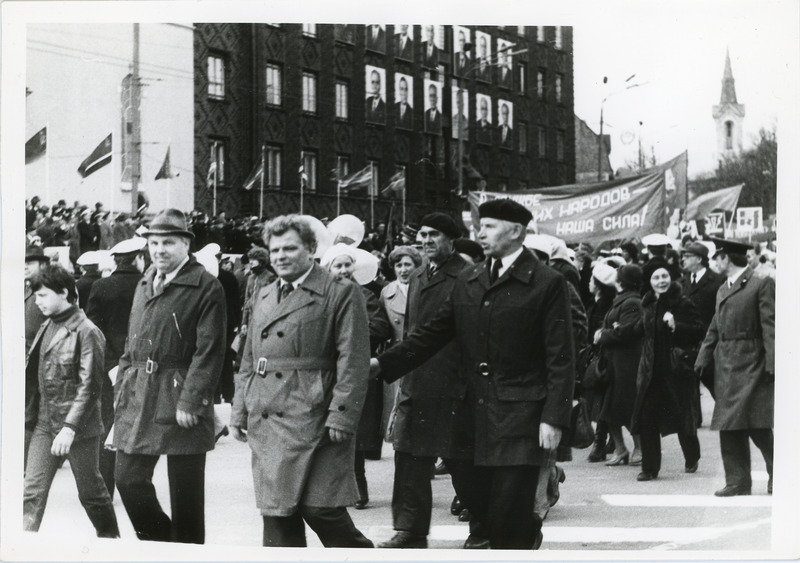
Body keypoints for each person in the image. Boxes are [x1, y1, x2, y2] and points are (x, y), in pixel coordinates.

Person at [373, 199, 575, 550]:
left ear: (516, 232)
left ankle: (515, 536)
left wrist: (553, 417)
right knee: (477, 496)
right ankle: (523, 529)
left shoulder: (546, 282)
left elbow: (560, 356)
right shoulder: (471, 278)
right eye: (480, 226)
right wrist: (381, 365)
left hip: (520, 412)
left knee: (507, 512)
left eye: (491, 226)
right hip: (469, 411)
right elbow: (430, 334)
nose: (481, 232)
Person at [230, 215, 373, 548]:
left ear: (311, 249)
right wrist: (239, 410)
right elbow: (249, 359)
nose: (280, 256)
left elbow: (352, 359)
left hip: (317, 414)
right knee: (278, 516)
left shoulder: (340, 292)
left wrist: (342, 414)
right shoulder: (264, 293)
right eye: (275, 249)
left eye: (290, 248)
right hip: (268, 413)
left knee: (321, 509)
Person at [112, 208, 227, 544]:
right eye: (154, 243)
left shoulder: (206, 286)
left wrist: (192, 400)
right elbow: (131, 339)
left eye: (168, 242)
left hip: (180, 394)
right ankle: (163, 545)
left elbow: (210, 350)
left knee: (186, 495)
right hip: (139, 392)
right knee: (128, 478)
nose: (159, 250)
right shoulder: (146, 279)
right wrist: (122, 384)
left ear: (186, 244)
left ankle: (187, 550)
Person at [377, 213, 475, 549]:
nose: (426, 240)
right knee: (408, 456)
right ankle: (410, 529)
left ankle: (483, 526)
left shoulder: (467, 274)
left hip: (453, 380)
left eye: (434, 234)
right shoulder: (420, 274)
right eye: (422, 234)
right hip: (416, 377)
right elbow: (410, 330)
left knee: (461, 460)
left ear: (451, 239)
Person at [24, 264, 120, 537]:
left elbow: (90, 385)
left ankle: (112, 542)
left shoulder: (87, 330)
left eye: (42, 295)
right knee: (31, 492)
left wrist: (70, 427)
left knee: (91, 494)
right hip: (45, 422)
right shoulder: (47, 325)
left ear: (64, 293)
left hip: (78, 427)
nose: (37, 301)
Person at [695, 238, 774, 496]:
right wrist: (703, 356)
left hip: (752, 360)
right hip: (727, 364)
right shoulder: (723, 288)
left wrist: (773, 364)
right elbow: (714, 327)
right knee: (729, 424)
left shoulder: (760, 284)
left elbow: (770, 328)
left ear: (726, 258)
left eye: (716, 257)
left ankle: (780, 473)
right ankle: (737, 481)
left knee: (756, 424)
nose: (713, 262)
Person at [321, 243, 392, 511]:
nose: (343, 270)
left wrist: (351, 332)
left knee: (355, 432)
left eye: (347, 265)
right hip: (327, 370)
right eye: (337, 266)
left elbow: (381, 326)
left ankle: (358, 487)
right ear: (328, 270)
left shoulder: (365, 295)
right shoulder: (320, 296)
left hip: (355, 368)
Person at [85, 236, 147, 498]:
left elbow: (93, 329)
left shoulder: (101, 287)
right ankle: (135, 483)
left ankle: (105, 487)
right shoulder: (147, 286)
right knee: (139, 420)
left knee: (106, 422)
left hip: (108, 364)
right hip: (142, 363)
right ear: (138, 259)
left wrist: (109, 362)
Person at [631, 266, 704, 481]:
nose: (661, 281)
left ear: (671, 279)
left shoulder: (682, 302)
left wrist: (676, 326)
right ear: (650, 281)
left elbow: (699, 330)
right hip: (651, 372)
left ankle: (692, 455)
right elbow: (640, 329)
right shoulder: (647, 304)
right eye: (656, 277)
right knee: (647, 417)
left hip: (676, 370)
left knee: (683, 416)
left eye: (664, 276)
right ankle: (649, 468)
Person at [595, 264, 643, 467]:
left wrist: (603, 335)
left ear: (622, 280)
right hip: (615, 361)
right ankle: (621, 449)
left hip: (626, 363)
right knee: (610, 407)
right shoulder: (622, 300)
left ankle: (639, 448)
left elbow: (626, 332)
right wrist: (610, 330)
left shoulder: (631, 301)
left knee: (628, 406)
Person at [379, 245, 423, 439]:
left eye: (408, 264)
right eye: (398, 265)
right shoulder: (386, 292)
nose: (403, 269)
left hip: (419, 352)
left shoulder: (424, 288)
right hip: (397, 352)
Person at [678, 241, 724, 401]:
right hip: (689, 341)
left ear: (699, 259)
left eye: (687, 256)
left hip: (710, 341)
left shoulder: (718, 281)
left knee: (713, 382)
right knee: (689, 385)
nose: (683, 259)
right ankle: (693, 422)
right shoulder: (682, 282)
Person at [584, 262, 618, 462]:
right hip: (595, 354)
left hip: (603, 357)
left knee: (602, 398)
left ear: (598, 284)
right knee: (600, 399)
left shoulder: (605, 304)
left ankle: (600, 441)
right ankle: (610, 440)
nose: (589, 283)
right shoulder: (596, 301)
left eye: (591, 280)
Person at [25, 247, 50, 463]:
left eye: (30, 262)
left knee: (30, 416)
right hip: (23, 361)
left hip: (41, 361)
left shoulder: (49, 288)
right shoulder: (25, 290)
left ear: (42, 265)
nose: (25, 266)